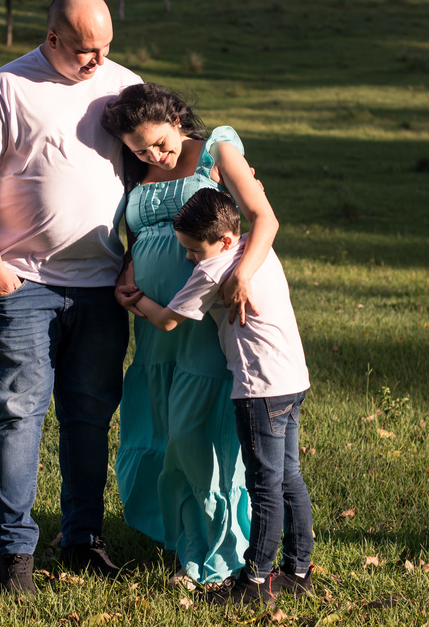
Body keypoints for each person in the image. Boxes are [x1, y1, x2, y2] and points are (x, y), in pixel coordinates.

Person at [0, 0, 141, 597]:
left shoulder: (122, 83)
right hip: (24, 283)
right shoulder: (6, 87)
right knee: (19, 415)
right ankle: (15, 555)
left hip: (104, 287)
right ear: (52, 38)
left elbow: (165, 161)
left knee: (89, 417)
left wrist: (141, 262)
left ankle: (83, 541)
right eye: (84, 49)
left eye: (105, 46)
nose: (96, 60)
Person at [101, 83, 279, 584]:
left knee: (195, 433)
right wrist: (127, 271)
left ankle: (220, 555)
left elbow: (263, 217)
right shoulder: (136, 166)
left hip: (206, 316)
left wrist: (242, 275)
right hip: (155, 326)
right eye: (140, 149)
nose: (155, 154)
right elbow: (137, 234)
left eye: (160, 142)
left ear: (177, 120)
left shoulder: (218, 148)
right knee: (159, 432)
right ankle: (183, 540)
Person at [121, 188, 313, 607]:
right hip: (293, 380)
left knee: (264, 485)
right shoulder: (250, 250)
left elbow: (169, 321)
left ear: (224, 241)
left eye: (193, 250)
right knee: (288, 477)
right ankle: (298, 571)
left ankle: (255, 583)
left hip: (258, 388)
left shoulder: (214, 269)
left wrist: (137, 302)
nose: (189, 257)